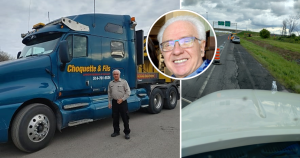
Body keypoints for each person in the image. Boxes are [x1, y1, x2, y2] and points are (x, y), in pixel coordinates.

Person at [108, 69, 131, 139]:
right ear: (113, 75)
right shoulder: (110, 83)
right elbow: (109, 93)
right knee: (115, 117)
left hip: (122, 102)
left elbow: (128, 92)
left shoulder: (124, 82)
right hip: (114, 102)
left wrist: (122, 99)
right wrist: (109, 102)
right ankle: (116, 131)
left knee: (125, 117)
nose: (116, 75)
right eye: (114, 74)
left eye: (117, 74)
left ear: (119, 75)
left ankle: (127, 132)